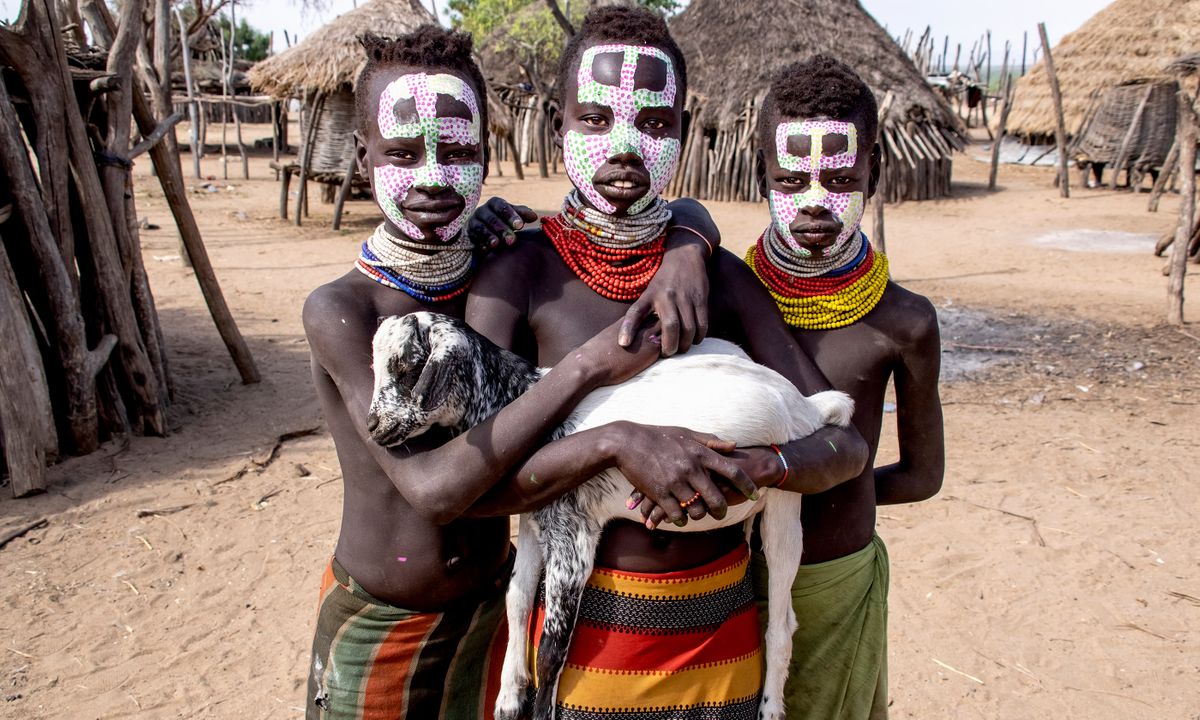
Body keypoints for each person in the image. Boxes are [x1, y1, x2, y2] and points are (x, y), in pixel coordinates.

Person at [300, 24, 740, 720]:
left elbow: (675, 208)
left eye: (459, 153)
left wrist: (688, 242)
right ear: (362, 155)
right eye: (403, 154)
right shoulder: (342, 310)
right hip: (384, 617)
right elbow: (436, 491)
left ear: (485, 154)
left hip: (496, 607)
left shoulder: (490, 266)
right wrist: (591, 373)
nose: (433, 178)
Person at [464, 9, 868, 718]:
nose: (623, 147)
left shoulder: (721, 280)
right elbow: (474, 481)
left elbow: (842, 442)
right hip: (577, 649)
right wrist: (617, 446)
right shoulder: (519, 276)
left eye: (652, 126)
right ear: (557, 125)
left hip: (724, 647)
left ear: (683, 131)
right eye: (595, 120)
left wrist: (765, 467)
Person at [741, 55, 945, 719]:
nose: (814, 202)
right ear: (760, 176)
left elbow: (922, 476)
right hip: (726, 583)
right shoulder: (722, 295)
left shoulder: (904, 321)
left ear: (874, 174)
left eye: (840, 178)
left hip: (838, 585)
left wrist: (831, 484)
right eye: (790, 179)